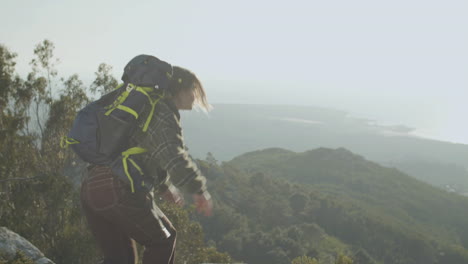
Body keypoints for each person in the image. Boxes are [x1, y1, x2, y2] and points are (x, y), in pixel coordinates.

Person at [80, 61, 213, 264]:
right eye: (192, 90)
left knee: (120, 259)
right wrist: (198, 190)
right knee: (163, 240)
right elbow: (173, 156)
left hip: (92, 187)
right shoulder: (163, 113)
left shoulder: (146, 109)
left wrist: (164, 188)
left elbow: (141, 153)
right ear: (179, 90)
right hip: (118, 189)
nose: (195, 97)